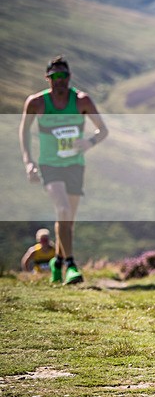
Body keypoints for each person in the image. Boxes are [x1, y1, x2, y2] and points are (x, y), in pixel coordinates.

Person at [19, 55, 109, 285]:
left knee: (68, 220)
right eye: (55, 76)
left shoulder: (81, 101)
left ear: (69, 77)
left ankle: (56, 262)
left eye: (64, 76)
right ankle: (70, 264)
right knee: (62, 208)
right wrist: (29, 162)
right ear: (47, 79)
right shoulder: (37, 103)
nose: (60, 80)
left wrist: (89, 143)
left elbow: (102, 130)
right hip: (49, 165)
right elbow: (24, 132)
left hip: (75, 165)